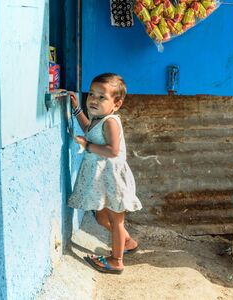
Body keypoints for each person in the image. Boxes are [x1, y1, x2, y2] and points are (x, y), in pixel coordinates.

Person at [68, 73, 142, 274]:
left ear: (116, 104)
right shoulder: (97, 118)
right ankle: (127, 241)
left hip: (113, 179)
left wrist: (87, 145)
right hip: (102, 179)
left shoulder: (110, 122)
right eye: (91, 94)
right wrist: (76, 109)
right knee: (101, 217)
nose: (93, 100)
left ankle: (117, 260)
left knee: (117, 220)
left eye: (102, 97)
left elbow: (113, 150)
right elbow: (89, 128)